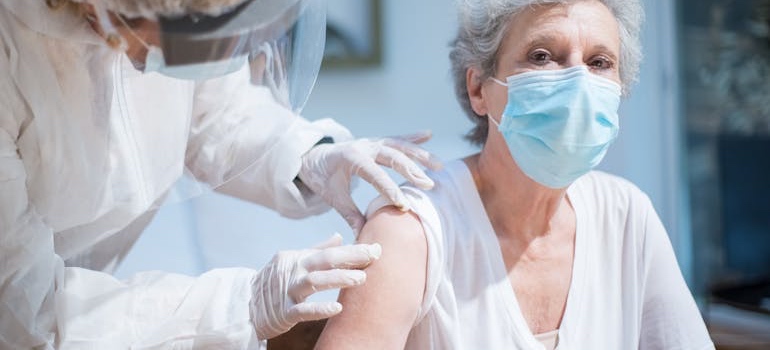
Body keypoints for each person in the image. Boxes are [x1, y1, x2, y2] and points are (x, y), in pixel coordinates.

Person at [0, 0, 442, 348]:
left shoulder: (170, 22)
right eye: (197, 43)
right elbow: (25, 316)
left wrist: (310, 158)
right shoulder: (12, 57)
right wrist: (241, 306)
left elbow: (215, 116)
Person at [316, 0, 716, 349]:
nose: (578, 82)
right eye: (542, 56)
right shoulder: (412, 232)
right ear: (479, 89)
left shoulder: (627, 215)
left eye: (599, 62)